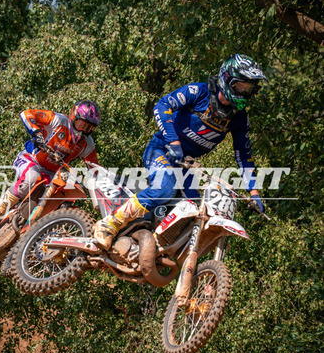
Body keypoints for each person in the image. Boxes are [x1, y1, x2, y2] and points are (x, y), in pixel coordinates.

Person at [93, 54, 267, 250]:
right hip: (161, 149)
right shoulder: (198, 92)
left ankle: (158, 248)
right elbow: (162, 105)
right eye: (241, 86)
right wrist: (173, 140)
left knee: (197, 210)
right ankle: (110, 223)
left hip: (185, 163)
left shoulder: (239, 118)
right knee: (164, 188)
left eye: (249, 89)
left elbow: (243, 155)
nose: (244, 93)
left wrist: (254, 192)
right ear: (227, 79)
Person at [0, 100, 101, 236]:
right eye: (82, 125)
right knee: (31, 178)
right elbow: (26, 114)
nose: (83, 131)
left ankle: (43, 232)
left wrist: (97, 201)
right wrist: (37, 134)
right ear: (73, 118)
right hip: (31, 159)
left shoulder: (87, 144)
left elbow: (94, 171)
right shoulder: (58, 120)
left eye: (89, 128)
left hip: (52, 173)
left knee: (65, 194)